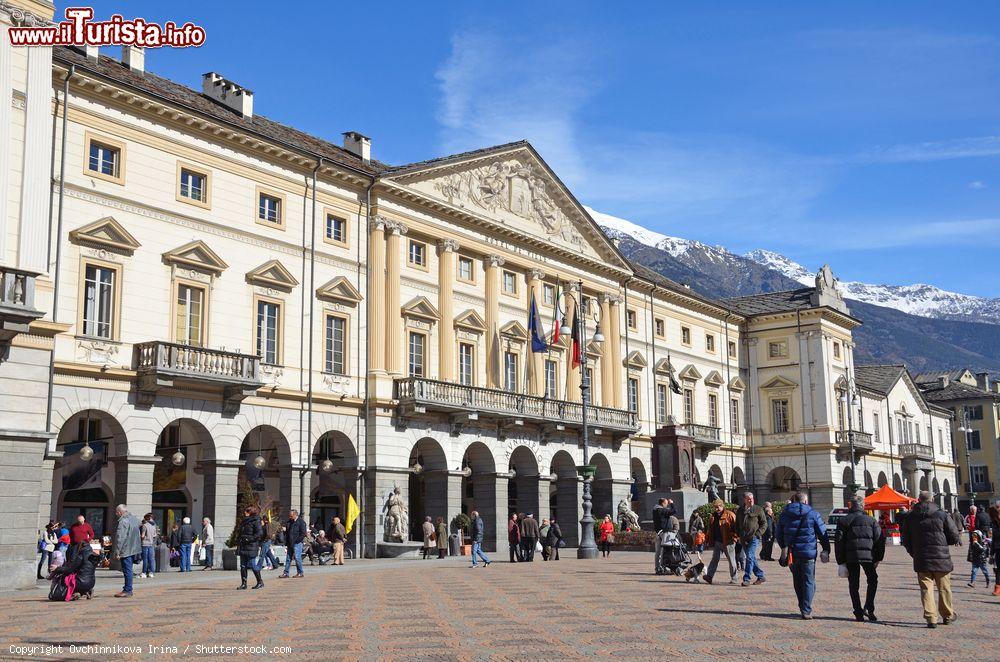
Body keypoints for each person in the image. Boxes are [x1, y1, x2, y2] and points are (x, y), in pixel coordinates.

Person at [901, 490, 961, 628]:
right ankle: (947, 615)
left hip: (921, 558)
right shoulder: (942, 514)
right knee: (944, 588)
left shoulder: (910, 517)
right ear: (932, 499)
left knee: (926, 589)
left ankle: (931, 618)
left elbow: (905, 539)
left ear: (918, 499)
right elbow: (954, 535)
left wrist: (913, 552)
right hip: (941, 557)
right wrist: (945, 544)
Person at [775, 492, 830, 620]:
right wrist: (826, 549)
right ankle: (806, 609)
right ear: (805, 501)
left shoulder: (785, 514)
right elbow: (822, 533)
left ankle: (802, 605)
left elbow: (778, 533)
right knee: (809, 581)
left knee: (797, 580)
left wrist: (784, 546)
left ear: (793, 501)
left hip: (792, 553)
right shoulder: (813, 513)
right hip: (808, 553)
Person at [835, 493, 884, 622]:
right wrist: (878, 558)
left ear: (850, 505)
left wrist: (840, 560)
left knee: (853, 584)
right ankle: (869, 607)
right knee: (873, 580)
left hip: (850, 557)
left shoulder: (843, 521)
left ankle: (858, 612)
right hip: (869, 556)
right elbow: (880, 540)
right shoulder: (872, 520)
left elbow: (838, 542)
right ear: (863, 506)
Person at [735, 492, 767, 586]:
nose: (751, 500)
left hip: (753, 537)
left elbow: (764, 523)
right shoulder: (740, 510)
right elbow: (737, 524)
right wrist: (738, 535)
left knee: (749, 556)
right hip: (743, 538)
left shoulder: (758, 509)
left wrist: (758, 534)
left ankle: (747, 579)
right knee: (751, 557)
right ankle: (760, 576)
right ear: (744, 500)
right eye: (748, 499)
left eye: (752, 498)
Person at [704, 499, 738, 585]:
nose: (717, 509)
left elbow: (737, 528)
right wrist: (708, 540)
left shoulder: (730, 515)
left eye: (718, 506)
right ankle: (709, 576)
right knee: (714, 559)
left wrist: (734, 538)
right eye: (715, 507)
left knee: (731, 560)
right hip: (718, 542)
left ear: (722, 506)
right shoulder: (713, 516)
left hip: (728, 541)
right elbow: (710, 530)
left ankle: (734, 578)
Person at [113, 504, 141, 598]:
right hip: (134, 548)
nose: (116, 514)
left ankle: (127, 590)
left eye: (117, 512)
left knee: (127, 570)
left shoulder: (123, 521)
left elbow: (120, 538)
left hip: (126, 549)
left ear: (120, 512)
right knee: (129, 570)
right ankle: (128, 588)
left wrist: (118, 552)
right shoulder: (134, 519)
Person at [236, 505, 264, 590]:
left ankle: (260, 582)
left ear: (251, 512)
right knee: (243, 566)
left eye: (247, 511)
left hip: (251, 545)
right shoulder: (244, 521)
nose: (245, 512)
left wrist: (249, 538)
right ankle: (244, 584)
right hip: (243, 545)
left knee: (252, 565)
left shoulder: (256, 521)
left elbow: (259, 534)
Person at [280, 509, 306, 578]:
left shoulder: (301, 522)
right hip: (290, 543)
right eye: (289, 516)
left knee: (297, 558)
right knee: (288, 558)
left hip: (297, 543)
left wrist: (297, 541)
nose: (290, 517)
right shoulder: (289, 522)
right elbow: (288, 531)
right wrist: (285, 530)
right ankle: (286, 573)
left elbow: (303, 533)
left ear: (295, 515)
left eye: (291, 516)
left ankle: (300, 572)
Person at [140, 513, 157, 578]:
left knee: (145, 559)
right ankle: (151, 572)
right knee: (151, 559)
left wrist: (140, 537)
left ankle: (144, 572)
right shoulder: (153, 526)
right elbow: (155, 535)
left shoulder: (145, 525)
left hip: (145, 544)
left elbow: (143, 535)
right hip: (151, 543)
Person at [989, 504, 1000, 597]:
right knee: (998, 570)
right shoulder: (994, 524)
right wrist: (991, 553)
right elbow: (994, 539)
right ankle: (997, 587)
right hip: (998, 549)